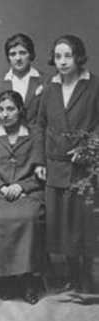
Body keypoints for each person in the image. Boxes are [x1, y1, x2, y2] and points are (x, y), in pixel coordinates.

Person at [36, 35, 99, 293]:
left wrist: (88, 147)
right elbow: (40, 126)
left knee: (83, 222)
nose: (62, 62)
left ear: (79, 57)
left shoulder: (94, 86)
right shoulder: (49, 89)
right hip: (56, 165)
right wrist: (39, 161)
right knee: (61, 222)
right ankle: (71, 273)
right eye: (58, 56)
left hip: (85, 168)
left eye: (68, 56)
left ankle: (86, 273)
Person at [0, 91, 44, 304]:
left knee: (29, 219)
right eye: (1, 109)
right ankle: (3, 277)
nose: (5, 114)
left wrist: (22, 186)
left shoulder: (35, 134)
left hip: (27, 192)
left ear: (21, 110)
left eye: (11, 109)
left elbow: (40, 170)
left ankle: (27, 278)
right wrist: (3, 187)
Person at [0, 33, 44, 128]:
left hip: (36, 139)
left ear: (31, 54)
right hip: (6, 141)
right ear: (8, 57)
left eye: (22, 53)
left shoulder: (44, 81)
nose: (18, 58)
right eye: (13, 54)